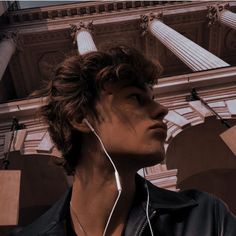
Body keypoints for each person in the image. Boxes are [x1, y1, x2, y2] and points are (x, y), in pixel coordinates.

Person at [14, 46, 236, 236]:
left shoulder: (205, 216)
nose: (162, 110)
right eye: (135, 98)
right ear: (81, 118)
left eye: (153, 99)